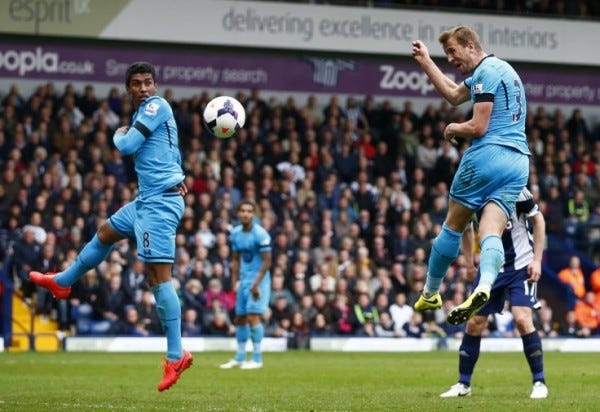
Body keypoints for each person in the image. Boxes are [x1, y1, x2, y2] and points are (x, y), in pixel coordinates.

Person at [28, 62, 192, 392]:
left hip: (159, 205)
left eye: (148, 82)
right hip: (147, 200)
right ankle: (63, 282)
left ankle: (176, 355)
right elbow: (166, 151)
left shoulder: (157, 105)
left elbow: (128, 146)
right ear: (128, 88)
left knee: (158, 279)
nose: (144, 88)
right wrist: (177, 177)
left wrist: (119, 135)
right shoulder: (147, 112)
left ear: (155, 85)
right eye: (137, 84)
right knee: (105, 232)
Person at [411, 26, 530, 325]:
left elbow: (478, 127)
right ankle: (485, 285)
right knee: (491, 230)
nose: (450, 58)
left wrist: (453, 129)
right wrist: (426, 61)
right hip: (518, 164)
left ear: (470, 45)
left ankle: (430, 291)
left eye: (452, 51)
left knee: (453, 225)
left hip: (488, 156)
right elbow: (453, 95)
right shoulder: (503, 70)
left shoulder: (485, 72)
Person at [440, 187, 549, 399]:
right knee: (474, 323)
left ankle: (539, 382)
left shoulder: (517, 189)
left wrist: (537, 260)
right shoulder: (474, 192)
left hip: (521, 265)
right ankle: (463, 384)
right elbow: (465, 228)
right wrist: (470, 264)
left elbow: (538, 220)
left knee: (522, 319)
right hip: (491, 268)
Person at [220, 200, 272, 370]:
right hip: (244, 280)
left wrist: (256, 284)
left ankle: (257, 359)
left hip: (259, 279)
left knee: (253, 317)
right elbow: (235, 259)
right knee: (240, 318)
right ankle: (240, 357)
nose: (245, 214)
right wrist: (235, 281)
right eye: (242, 211)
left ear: (254, 214)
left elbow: (267, 261)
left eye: (249, 211)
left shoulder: (261, 234)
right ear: (238, 213)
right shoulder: (235, 233)